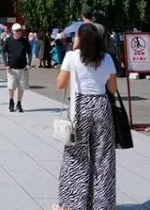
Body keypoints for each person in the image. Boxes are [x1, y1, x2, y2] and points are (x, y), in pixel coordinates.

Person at [55, 23, 117, 210]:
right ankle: (101, 204)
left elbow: (60, 84)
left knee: (76, 155)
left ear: (80, 38)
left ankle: (75, 202)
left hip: (80, 107)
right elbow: (112, 88)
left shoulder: (72, 57)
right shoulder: (106, 58)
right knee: (103, 157)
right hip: (101, 105)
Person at [4, 23, 32, 113]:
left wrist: (29, 64)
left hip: (23, 67)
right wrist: (6, 64)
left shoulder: (25, 41)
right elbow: (3, 52)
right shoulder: (8, 40)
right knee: (11, 86)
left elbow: (29, 53)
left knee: (21, 87)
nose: (19, 32)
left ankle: (19, 103)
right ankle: (11, 101)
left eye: (20, 30)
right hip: (11, 68)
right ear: (13, 31)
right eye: (17, 31)